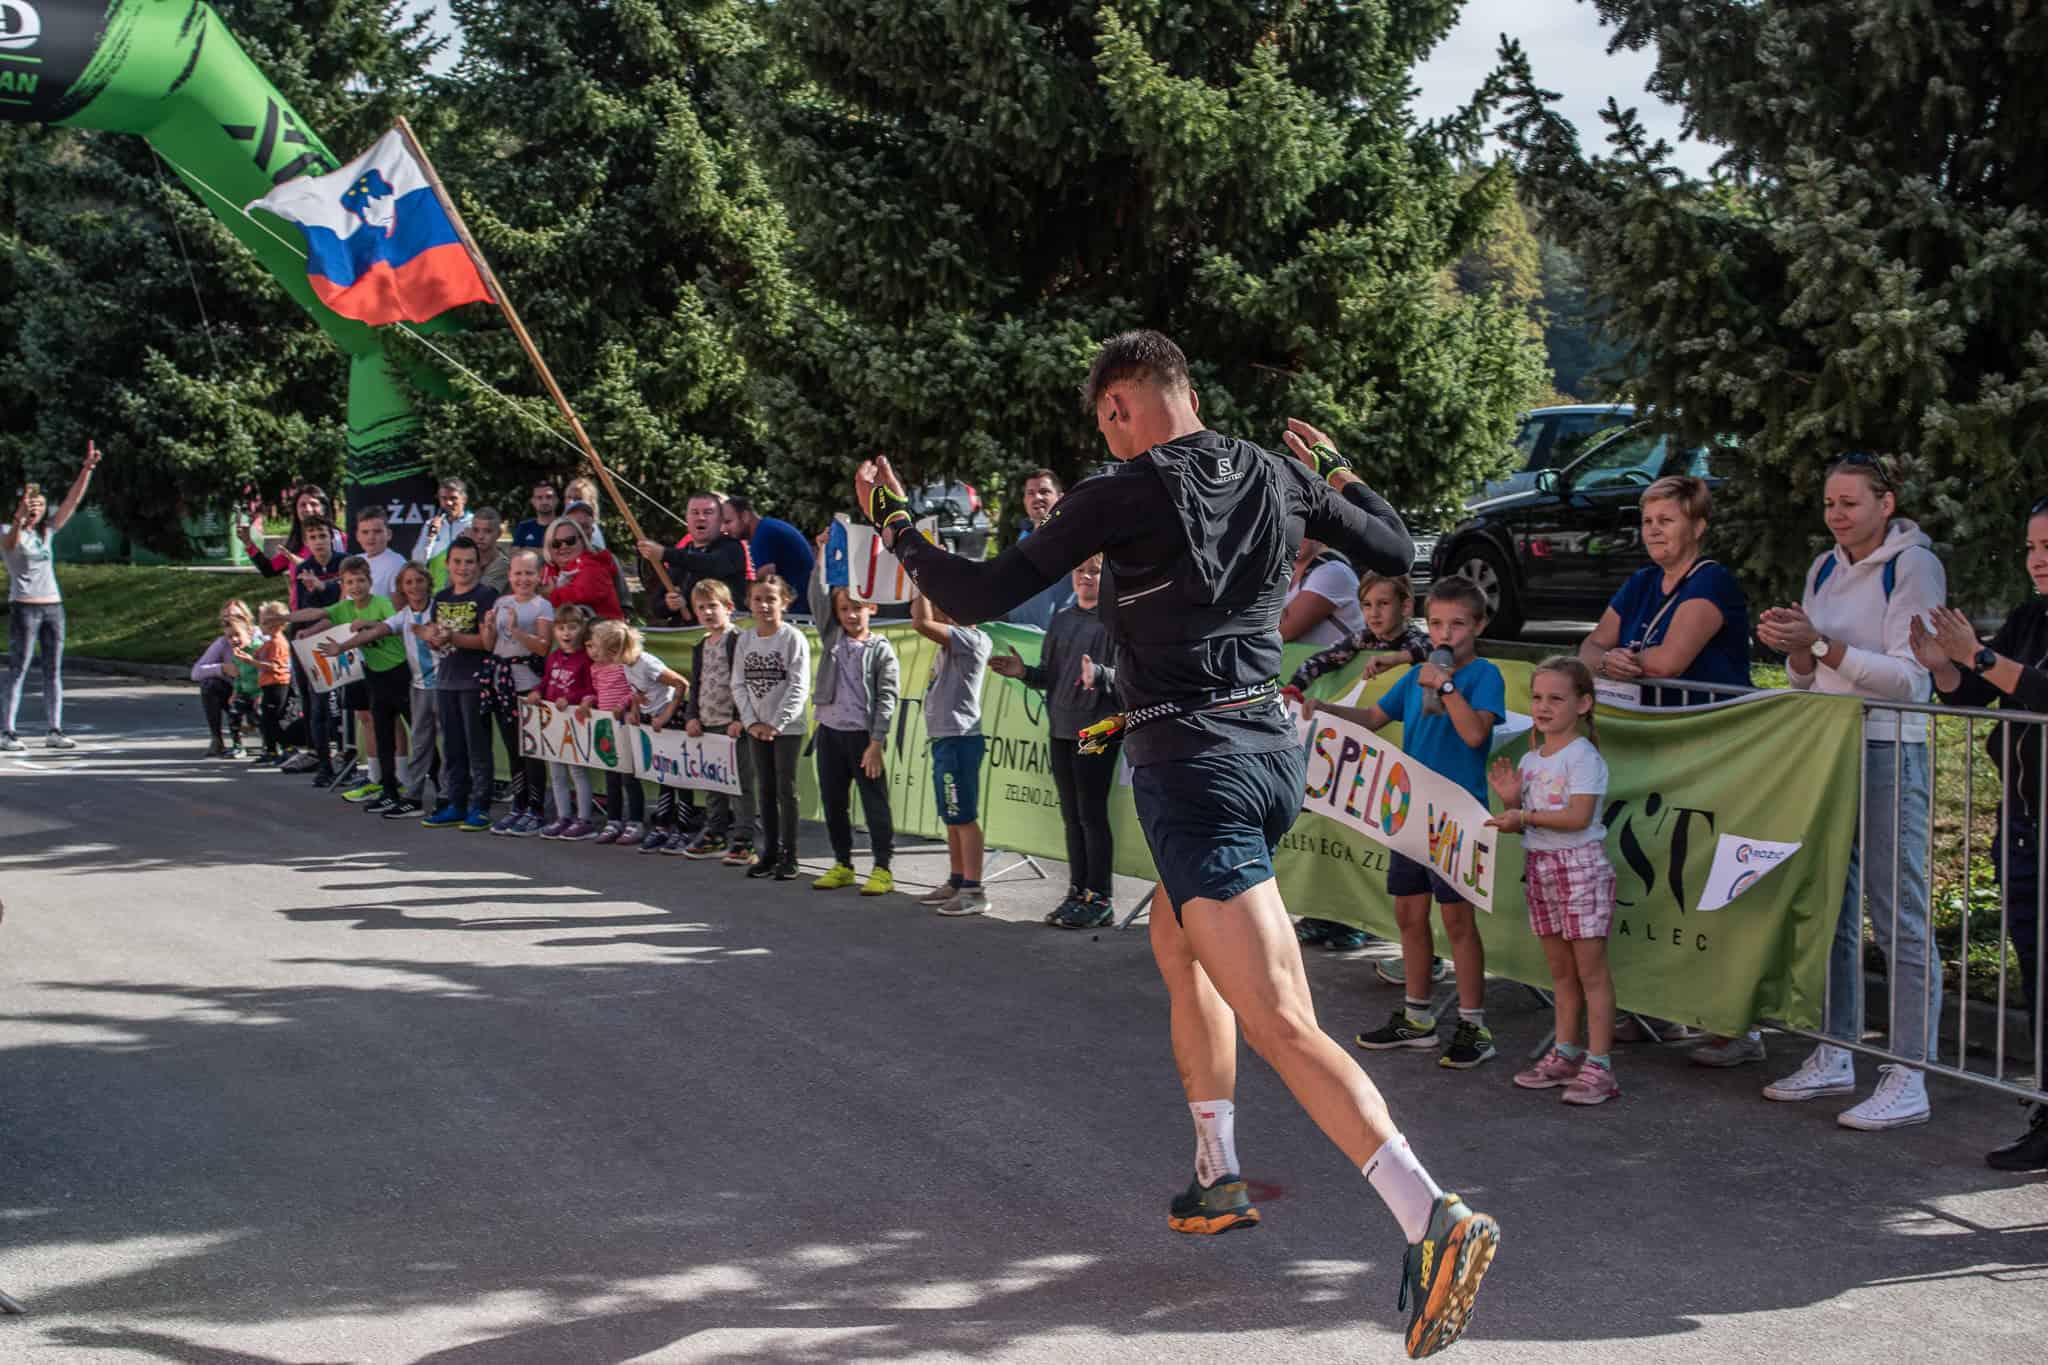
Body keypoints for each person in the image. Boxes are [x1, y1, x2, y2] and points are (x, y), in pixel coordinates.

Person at [852, 330, 1496, 1356]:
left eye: (1102, 415)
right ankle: (1214, 1171)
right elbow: (1391, 543)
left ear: (1119, 406)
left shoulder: (1117, 491)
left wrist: (892, 522)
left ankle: (1430, 1218)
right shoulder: (1281, 473)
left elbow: (973, 595)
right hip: (1263, 754)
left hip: (1191, 770)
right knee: (1174, 940)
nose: (1103, 432)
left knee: (1282, 1016)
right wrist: (1336, 470)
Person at [1757, 452, 1944, 1130]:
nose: (1837, 514)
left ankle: (1910, 1070)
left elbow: (1909, 680)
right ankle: (1835, 1050)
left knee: (1901, 913)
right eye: (1830, 503)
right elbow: (1807, 677)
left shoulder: (1914, 566)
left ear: (1885, 504)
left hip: (1892, 748)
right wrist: (1796, 647)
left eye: (1851, 502)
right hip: (1830, 748)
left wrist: (1823, 645)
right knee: (1833, 903)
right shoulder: (1823, 565)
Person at [1321, 577, 1506, 1071]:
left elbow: (1472, 735)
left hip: (1456, 814)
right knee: (1408, 915)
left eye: (1458, 625)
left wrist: (1445, 686)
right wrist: (1323, 711)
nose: (1446, 634)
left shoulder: (1484, 675)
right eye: (1438, 623)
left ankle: (1473, 1023)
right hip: (1412, 812)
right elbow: (1375, 717)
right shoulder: (1417, 675)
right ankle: (1417, 1018)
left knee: (1457, 921)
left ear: (1480, 625)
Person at [1913, 500, 2048, 1169]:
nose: (2037, 559)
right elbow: (1977, 695)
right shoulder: (2031, 615)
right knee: (2038, 972)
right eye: (2030, 546)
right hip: (2023, 824)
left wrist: (1980, 654)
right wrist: (1944, 665)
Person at [1490, 657, 1622, 1105]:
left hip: (1580, 866)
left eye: (1557, 699)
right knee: (1561, 973)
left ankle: (1600, 1066)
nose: (1544, 707)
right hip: (1542, 866)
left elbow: (1578, 816)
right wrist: (1512, 802)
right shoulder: (1530, 758)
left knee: (1591, 973)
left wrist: (1522, 813)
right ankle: (1565, 1054)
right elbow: (1534, 823)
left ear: (1583, 704)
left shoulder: (1583, 756)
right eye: (1538, 698)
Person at [1287, 571, 1430, 957]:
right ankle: (1328, 912)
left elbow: (1433, 651)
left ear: (1405, 606)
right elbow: (1324, 660)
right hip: (1352, 760)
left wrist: (1397, 658)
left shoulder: (1416, 640)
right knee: (1333, 833)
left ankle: (1368, 924)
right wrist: (1296, 686)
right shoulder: (1363, 639)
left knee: (1382, 845)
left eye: (1383, 604)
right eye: (1367, 605)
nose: (1373, 614)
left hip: (1402, 767)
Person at [990, 554, 1121, 927]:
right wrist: (1024, 672)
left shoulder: (1116, 621)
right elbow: (1051, 675)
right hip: (1061, 727)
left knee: (1092, 815)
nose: (1087, 577)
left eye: (1096, 571)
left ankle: (1101, 897)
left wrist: (1101, 676)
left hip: (1099, 728)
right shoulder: (1062, 620)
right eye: (1081, 571)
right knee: (1072, 816)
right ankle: (1077, 891)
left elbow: (1130, 679)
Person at [1579, 475, 1751, 707]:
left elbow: (1668, 662)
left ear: (1697, 528)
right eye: (1647, 521)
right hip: (1651, 724)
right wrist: (1606, 659)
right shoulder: (1641, 581)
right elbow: (1589, 647)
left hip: (1707, 725)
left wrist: (1615, 663)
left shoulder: (1711, 580)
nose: (1653, 530)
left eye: (1665, 520)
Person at [807, 547, 901, 895]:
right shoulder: (832, 637)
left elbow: (887, 698)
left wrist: (876, 743)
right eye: (844, 609)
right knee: (834, 801)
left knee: (874, 802)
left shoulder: (881, 650)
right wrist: (820, 556)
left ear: (871, 608)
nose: (850, 615)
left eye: (857, 608)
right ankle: (843, 863)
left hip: (863, 738)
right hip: (829, 732)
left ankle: (882, 868)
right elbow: (816, 596)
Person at [286, 555, 410, 811]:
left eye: (361, 580)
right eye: (350, 582)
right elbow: (320, 614)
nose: (356, 586)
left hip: (399, 671)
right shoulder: (345, 606)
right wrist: (284, 619)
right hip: (372, 673)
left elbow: (392, 627)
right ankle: (383, 784)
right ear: (342, 584)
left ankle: (409, 781)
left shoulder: (382, 603)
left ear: (370, 581)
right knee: (376, 727)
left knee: (411, 727)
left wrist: (365, 626)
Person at [4, 442, 99, 751]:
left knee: (52, 670)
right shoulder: (8, 529)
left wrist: (87, 469)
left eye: (41, 505)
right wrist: (20, 516)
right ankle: (7, 732)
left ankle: (54, 730)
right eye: (33, 505)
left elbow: (72, 502)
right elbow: (10, 545)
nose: (38, 509)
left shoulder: (47, 532)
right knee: (19, 669)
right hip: (25, 607)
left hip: (52, 606)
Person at [910, 584, 994, 915]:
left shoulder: (972, 639)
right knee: (951, 815)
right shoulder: (951, 643)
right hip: (945, 738)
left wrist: (921, 581)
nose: (937, 609)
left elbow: (919, 622)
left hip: (960, 739)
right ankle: (958, 879)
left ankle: (974, 890)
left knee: (964, 815)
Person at [339, 562, 441, 820]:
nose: (415, 587)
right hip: (415, 685)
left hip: (440, 685)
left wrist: (435, 636)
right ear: (402, 589)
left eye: (419, 580)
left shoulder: (440, 609)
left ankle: (448, 795)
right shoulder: (404, 615)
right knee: (414, 741)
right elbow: (379, 630)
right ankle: (402, 794)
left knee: (448, 745)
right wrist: (340, 648)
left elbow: (379, 624)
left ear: (429, 582)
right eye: (408, 583)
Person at [420, 537, 501, 832]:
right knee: (452, 747)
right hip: (445, 680)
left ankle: (480, 806)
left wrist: (451, 637)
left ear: (479, 564)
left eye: (469, 562)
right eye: (457, 562)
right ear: (447, 564)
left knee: (477, 747)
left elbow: (485, 642)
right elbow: (435, 639)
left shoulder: (486, 595)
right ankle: (455, 802)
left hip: (474, 681)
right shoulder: (441, 598)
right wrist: (433, 638)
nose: (463, 568)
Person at [734, 574, 809, 882]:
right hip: (756, 727)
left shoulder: (792, 638)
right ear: (748, 603)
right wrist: (752, 722)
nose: (764, 605)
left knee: (785, 789)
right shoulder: (745, 639)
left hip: (786, 728)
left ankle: (790, 854)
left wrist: (777, 723)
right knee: (764, 788)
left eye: (771, 599)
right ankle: (769, 854)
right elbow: (738, 683)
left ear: (784, 602)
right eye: (758, 599)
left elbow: (798, 685)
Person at [593, 620, 690, 851]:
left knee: (678, 776)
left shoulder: (647, 663)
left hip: (670, 721)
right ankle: (663, 826)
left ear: (615, 651)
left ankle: (683, 829)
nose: (596, 654)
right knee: (662, 775)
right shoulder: (628, 664)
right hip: (651, 720)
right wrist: (636, 710)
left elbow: (681, 684)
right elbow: (637, 691)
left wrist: (665, 716)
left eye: (600, 649)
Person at [679, 580, 755, 865]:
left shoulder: (737, 640)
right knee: (714, 783)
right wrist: (692, 716)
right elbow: (696, 684)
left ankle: (744, 838)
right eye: (701, 607)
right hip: (708, 723)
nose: (708, 612)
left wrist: (739, 718)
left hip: (732, 725)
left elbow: (744, 680)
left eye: (713, 606)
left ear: (728, 608)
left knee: (740, 785)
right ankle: (715, 833)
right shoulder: (700, 645)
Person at [272, 516, 347, 782]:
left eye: (323, 536)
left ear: (332, 537)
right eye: (313, 537)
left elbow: (345, 602)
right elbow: (306, 609)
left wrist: (325, 587)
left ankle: (346, 756)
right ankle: (323, 762)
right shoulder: (305, 568)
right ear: (306, 542)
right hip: (313, 642)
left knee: (346, 705)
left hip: (344, 639)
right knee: (317, 704)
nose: (318, 542)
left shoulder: (344, 564)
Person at [485, 549, 554, 835]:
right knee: (513, 748)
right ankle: (520, 804)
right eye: (517, 573)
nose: (523, 579)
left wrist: (516, 631)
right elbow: (490, 645)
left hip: (528, 684)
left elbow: (542, 647)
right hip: (502, 682)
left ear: (539, 576)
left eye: (528, 573)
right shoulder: (501, 602)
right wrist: (489, 627)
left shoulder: (542, 606)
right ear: (509, 575)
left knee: (531, 749)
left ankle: (536, 809)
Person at [534, 605, 600, 840]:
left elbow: (591, 690)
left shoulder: (586, 658)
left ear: (582, 629)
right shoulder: (553, 657)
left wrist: (570, 699)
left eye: (572, 627)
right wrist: (536, 692)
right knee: (556, 772)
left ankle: (584, 819)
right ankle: (564, 817)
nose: (566, 633)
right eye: (561, 628)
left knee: (577, 770)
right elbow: (546, 681)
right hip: (553, 723)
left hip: (575, 721)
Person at [645, 492, 752, 626]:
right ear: (687, 518)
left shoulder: (732, 548)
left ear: (720, 520)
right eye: (695, 512)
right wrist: (669, 605)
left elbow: (709, 564)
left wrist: (665, 553)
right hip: (689, 636)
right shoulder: (682, 555)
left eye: (708, 512)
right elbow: (657, 606)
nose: (701, 517)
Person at [1002, 469, 1075, 630]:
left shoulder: (1072, 538)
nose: (1037, 498)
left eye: (1044, 492)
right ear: (1025, 501)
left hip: (1053, 640)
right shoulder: (1023, 538)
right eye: (1031, 493)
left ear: (1060, 499)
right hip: (1018, 635)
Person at [191, 602, 258, 757]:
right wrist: (223, 668)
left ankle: (276, 744)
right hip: (237, 691)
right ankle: (219, 739)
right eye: (226, 618)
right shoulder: (223, 642)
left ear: (247, 619)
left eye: (236, 616)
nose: (230, 620)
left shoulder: (262, 639)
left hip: (261, 690)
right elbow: (195, 672)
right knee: (209, 685)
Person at [1281, 538, 1366, 645]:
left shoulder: (1332, 571)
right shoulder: (1283, 574)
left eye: (1304, 528)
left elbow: (1283, 630)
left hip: (1343, 661)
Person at [542, 516, 625, 621]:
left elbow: (582, 594)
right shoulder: (549, 570)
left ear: (582, 540)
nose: (563, 546)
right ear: (548, 548)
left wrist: (552, 594)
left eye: (570, 540)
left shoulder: (593, 567)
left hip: (605, 633)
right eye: (556, 544)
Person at [726, 495, 815, 590]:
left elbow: (762, 583)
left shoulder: (764, 535)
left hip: (799, 601)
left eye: (728, 522)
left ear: (745, 516)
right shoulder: (766, 527)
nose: (724, 529)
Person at [250, 602, 295, 766]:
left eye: (264, 622)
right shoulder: (269, 642)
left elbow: (275, 666)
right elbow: (261, 654)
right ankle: (271, 750)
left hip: (277, 684)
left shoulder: (278, 642)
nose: (260, 626)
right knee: (266, 719)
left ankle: (288, 748)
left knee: (273, 719)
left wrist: (251, 661)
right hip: (268, 684)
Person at [350, 508, 407, 599]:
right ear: (358, 536)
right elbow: (344, 599)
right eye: (365, 532)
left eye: (377, 531)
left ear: (388, 534)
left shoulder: (397, 563)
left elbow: (398, 608)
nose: (371, 537)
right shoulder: (355, 561)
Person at [414, 476, 474, 562]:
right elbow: (417, 560)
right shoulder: (431, 524)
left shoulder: (474, 523)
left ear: (464, 499)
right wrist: (430, 537)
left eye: (453, 498)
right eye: (444, 498)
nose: (448, 503)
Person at [469, 508, 511, 592]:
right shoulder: (464, 559)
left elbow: (480, 596)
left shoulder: (503, 564)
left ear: (499, 533)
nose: (480, 536)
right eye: (475, 530)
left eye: (487, 531)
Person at [564, 477, 608, 549]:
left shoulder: (592, 532)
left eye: (578, 499)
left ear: (590, 503)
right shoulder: (565, 526)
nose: (570, 502)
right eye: (568, 497)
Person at [514, 481, 560, 549]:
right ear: (533, 501)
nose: (544, 502)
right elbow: (514, 553)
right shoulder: (524, 527)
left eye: (549, 497)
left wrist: (528, 549)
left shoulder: (564, 525)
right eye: (539, 498)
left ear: (556, 500)